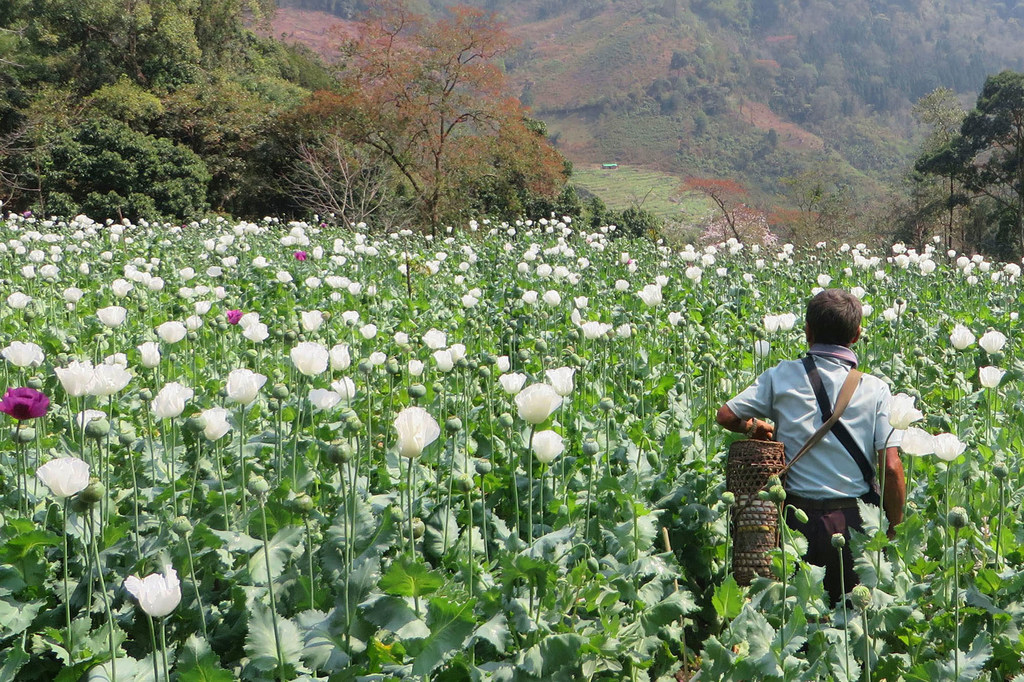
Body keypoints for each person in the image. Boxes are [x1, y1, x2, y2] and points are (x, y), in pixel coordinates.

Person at [716, 288, 906, 604]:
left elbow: (726, 415)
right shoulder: (876, 389)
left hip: (793, 522)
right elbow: (891, 467)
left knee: (795, 614)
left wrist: (755, 426)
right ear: (857, 335)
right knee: (851, 618)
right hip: (853, 524)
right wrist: (893, 526)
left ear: (807, 331)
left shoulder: (780, 376)